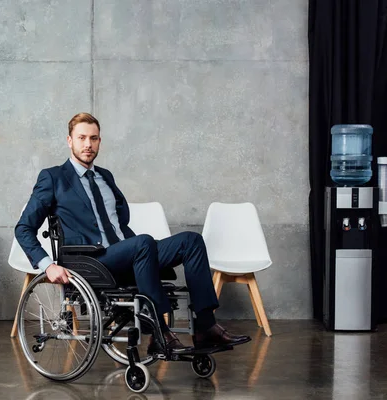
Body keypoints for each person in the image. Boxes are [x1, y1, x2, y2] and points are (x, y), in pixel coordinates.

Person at [15, 112, 251, 353]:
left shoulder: (105, 176)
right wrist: (47, 265)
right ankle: (159, 333)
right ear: (69, 141)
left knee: (191, 241)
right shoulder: (53, 178)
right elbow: (23, 228)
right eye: (82, 138)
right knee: (143, 243)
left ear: (100, 141)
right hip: (92, 259)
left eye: (94, 138)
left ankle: (206, 327)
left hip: (128, 251)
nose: (88, 144)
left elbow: (119, 221)